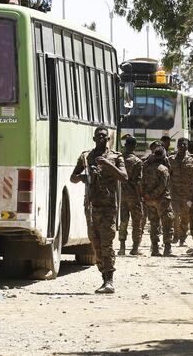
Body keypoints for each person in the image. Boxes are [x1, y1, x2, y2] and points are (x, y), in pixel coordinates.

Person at [70, 126, 128, 294]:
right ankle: (103, 276)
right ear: (94, 138)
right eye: (99, 136)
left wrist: (108, 165)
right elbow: (72, 178)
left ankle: (109, 280)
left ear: (108, 139)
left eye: (104, 136)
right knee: (95, 243)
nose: (102, 138)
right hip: (91, 206)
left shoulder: (116, 157)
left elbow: (124, 177)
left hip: (108, 207)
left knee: (106, 242)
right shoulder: (86, 157)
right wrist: (83, 177)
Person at [141, 145, 175, 257]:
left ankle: (155, 249)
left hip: (149, 201)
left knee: (154, 224)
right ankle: (167, 249)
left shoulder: (146, 168)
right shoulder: (164, 170)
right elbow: (163, 186)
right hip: (162, 200)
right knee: (167, 223)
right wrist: (153, 195)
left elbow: (142, 183)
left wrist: (147, 195)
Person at [119, 136, 144, 256]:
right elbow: (138, 182)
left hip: (121, 195)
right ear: (135, 146)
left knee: (123, 221)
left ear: (125, 145)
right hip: (134, 195)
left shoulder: (120, 160)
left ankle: (122, 247)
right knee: (136, 222)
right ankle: (135, 248)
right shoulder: (137, 162)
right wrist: (141, 197)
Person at [169, 137, 193, 247]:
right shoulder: (171, 159)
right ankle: (175, 234)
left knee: (185, 216)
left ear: (187, 146)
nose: (182, 146)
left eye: (184, 144)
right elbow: (168, 174)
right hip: (174, 192)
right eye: (180, 144)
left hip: (187, 193)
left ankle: (182, 237)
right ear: (177, 145)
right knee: (174, 215)